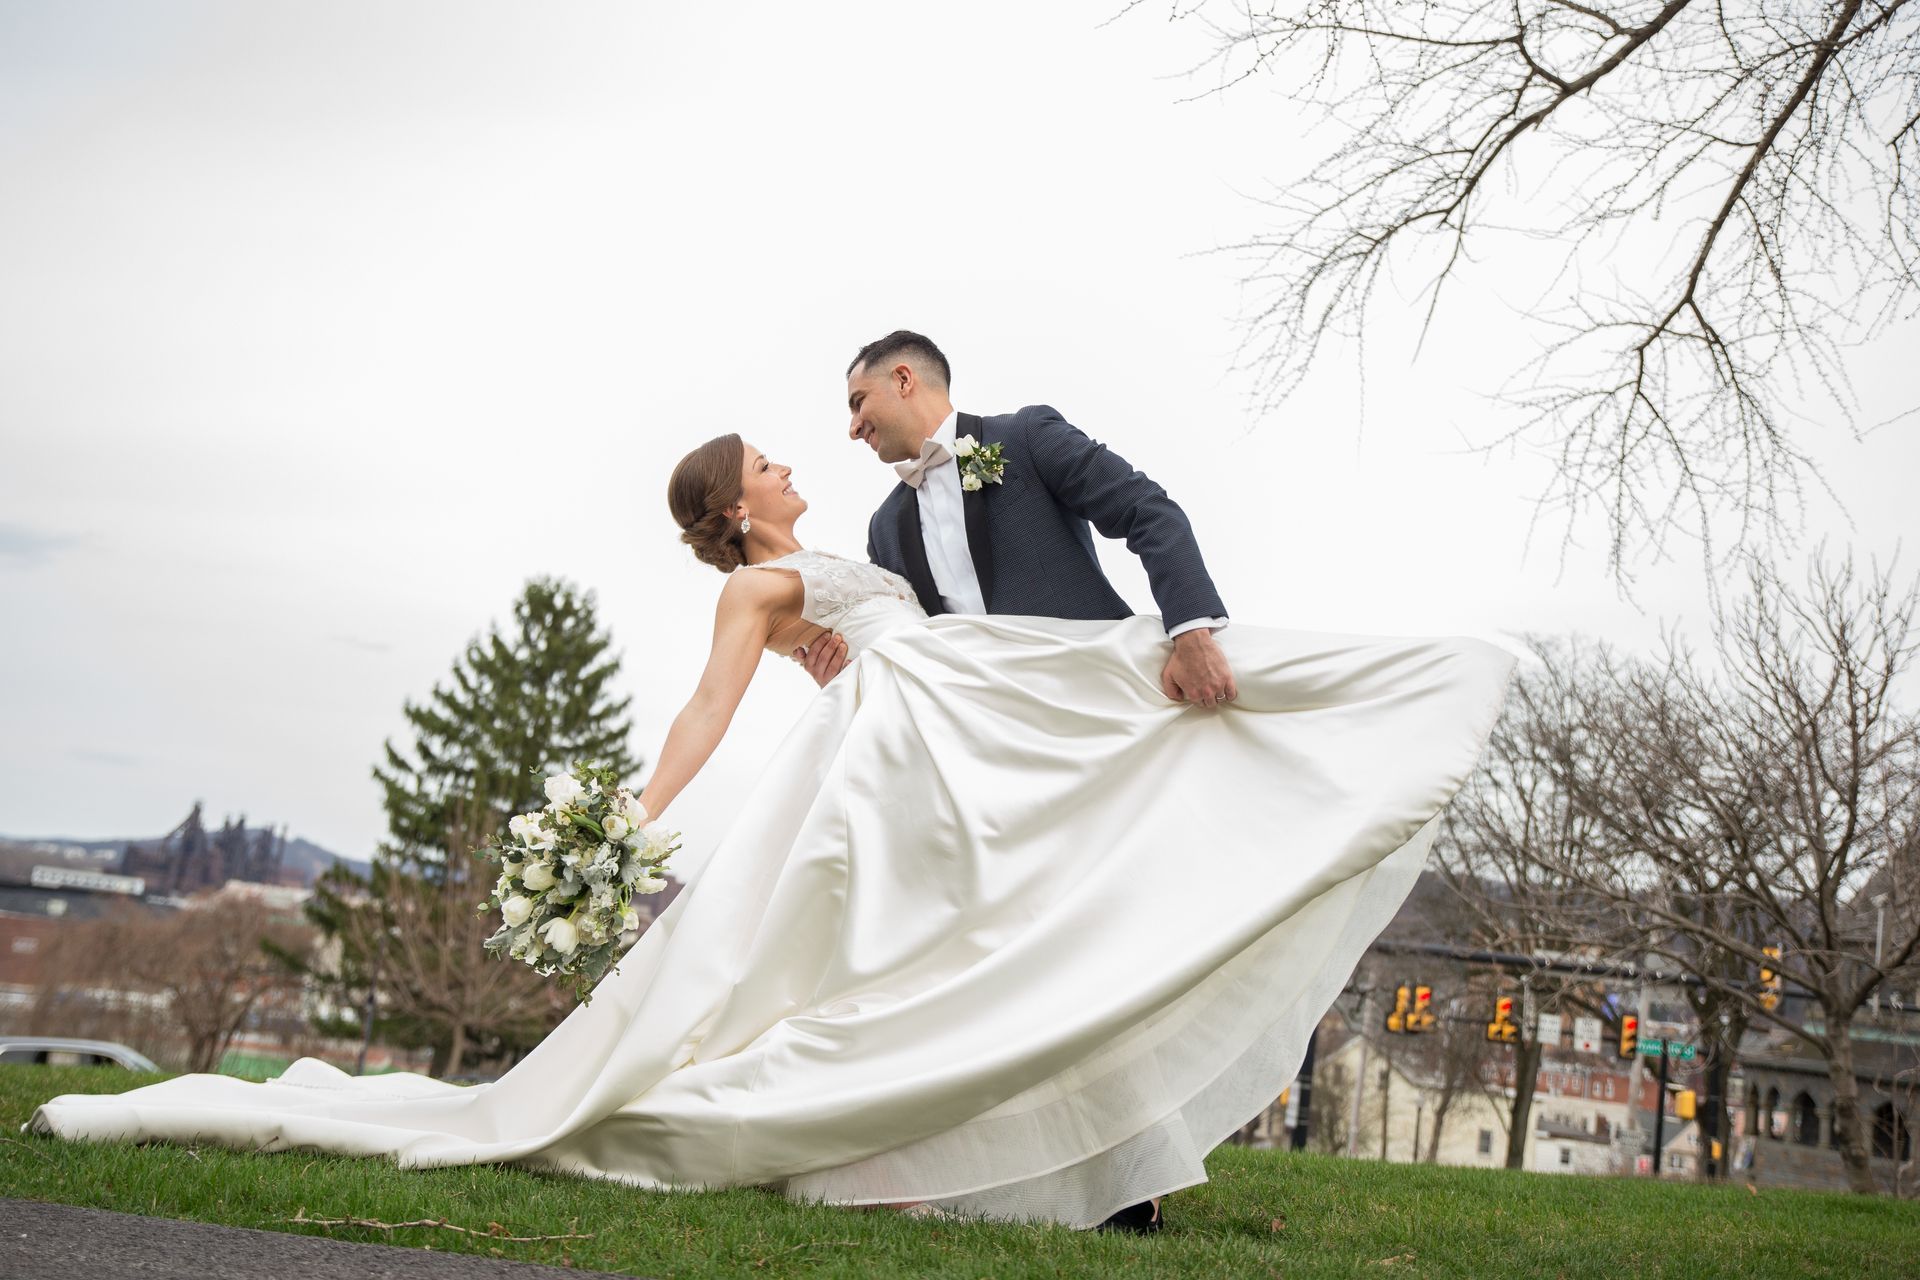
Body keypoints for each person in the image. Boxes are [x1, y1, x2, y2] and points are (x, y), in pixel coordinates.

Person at [27, 349, 1515, 1234]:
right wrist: (630, 819)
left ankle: (1065, 1167)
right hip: (917, 755)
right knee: (931, 965)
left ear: (913, 382)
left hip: (986, 718)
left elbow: (968, 600)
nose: (818, 444)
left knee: (1008, 944)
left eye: (846, 408)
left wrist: (1178, 627)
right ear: (742, 506)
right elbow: (704, 706)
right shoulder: (775, 577)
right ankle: (939, 1152)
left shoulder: (911, 507)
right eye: (774, 453)